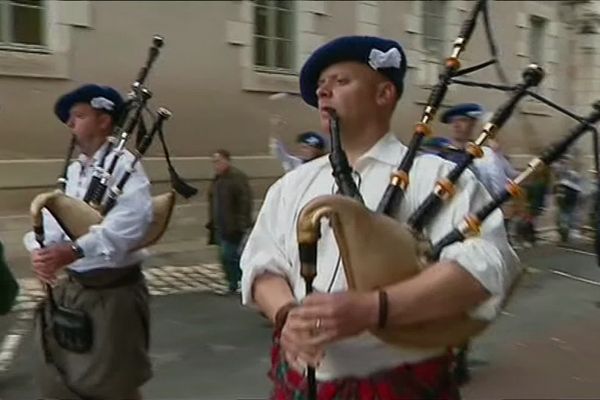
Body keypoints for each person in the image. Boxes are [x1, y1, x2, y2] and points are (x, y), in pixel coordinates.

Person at [240, 35, 520, 399]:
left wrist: (374, 308)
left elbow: (484, 267)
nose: (324, 93)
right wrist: (287, 315)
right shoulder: (292, 185)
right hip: (303, 382)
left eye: (340, 81)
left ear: (384, 93)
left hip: (402, 381)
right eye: (321, 87)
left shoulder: (436, 176)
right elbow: (262, 265)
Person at [23, 84, 153, 400]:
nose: (70, 124)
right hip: (75, 290)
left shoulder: (125, 167)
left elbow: (130, 225)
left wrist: (74, 250)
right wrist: (41, 250)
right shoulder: (75, 171)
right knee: (60, 376)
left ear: (104, 120)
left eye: (79, 115)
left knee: (111, 386)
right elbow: (56, 219)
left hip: (112, 295)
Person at [206, 149, 253, 293]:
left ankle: (240, 281)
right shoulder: (217, 180)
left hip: (233, 226)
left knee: (230, 255)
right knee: (224, 257)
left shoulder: (237, 178)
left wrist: (242, 223)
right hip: (220, 225)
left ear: (227, 161)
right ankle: (232, 283)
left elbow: (245, 202)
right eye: (214, 162)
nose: (216, 165)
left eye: (219, 161)